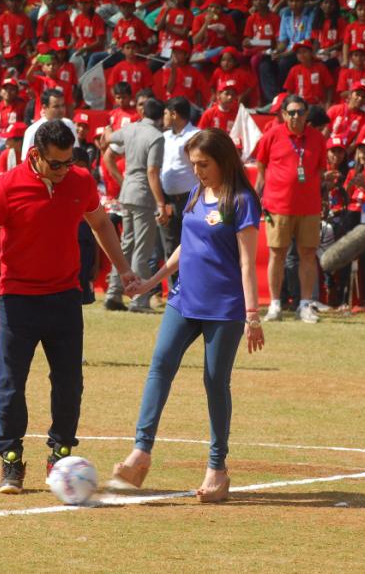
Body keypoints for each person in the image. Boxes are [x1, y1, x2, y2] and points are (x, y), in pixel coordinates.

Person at [0, 120, 137, 494]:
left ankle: (60, 454)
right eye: (56, 164)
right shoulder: (5, 186)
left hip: (65, 298)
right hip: (16, 300)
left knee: (69, 384)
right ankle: (11, 461)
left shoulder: (79, 181)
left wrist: (123, 269)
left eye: (69, 161)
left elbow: (101, 224)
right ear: (35, 156)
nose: (65, 171)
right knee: (11, 385)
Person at [111, 129, 264, 501]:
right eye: (193, 164)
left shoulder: (242, 200)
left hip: (224, 307)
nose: (197, 171)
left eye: (203, 164)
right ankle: (141, 452)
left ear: (223, 160)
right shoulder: (197, 193)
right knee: (159, 366)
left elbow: (247, 261)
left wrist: (252, 315)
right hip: (184, 300)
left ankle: (217, 469)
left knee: (215, 383)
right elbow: (186, 246)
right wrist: (152, 283)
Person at [255, 94, 327, 323]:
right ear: (284, 114)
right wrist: (258, 197)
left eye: (301, 112)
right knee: (277, 254)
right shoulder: (272, 135)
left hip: (309, 207)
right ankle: (275, 304)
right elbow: (261, 165)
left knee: (308, 254)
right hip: (278, 205)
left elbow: (321, 170)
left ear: (307, 115)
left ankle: (305, 304)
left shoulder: (317, 138)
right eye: (292, 112)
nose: (296, 116)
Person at [102, 98, 166, 313]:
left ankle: (113, 292)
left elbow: (108, 138)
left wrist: (108, 127)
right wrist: (160, 202)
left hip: (126, 191)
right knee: (142, 248)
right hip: (143, 195)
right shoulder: (156, 136)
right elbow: (152, 172)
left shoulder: (130, 128)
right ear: (159, 117)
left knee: (126, 244)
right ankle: (138, 299)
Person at [158, 97, 199, 286]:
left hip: (191, 200)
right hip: (167, 200)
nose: (163, 116)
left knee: (192, 246)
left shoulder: (196, 136)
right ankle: (175, 291)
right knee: (170, 246)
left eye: (166, 112)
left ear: (174, 114)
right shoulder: (164, 137)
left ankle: (192, 287)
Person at [20, 88, 77, 160]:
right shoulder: (33, 130)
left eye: (63, 105)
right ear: (44, 107)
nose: (61, 110)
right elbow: (26, 160)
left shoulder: (69, 124)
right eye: (56, 106)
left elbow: (75, 152)